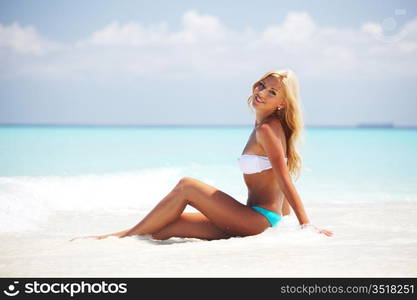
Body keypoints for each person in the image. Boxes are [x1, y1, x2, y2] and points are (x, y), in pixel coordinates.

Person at [70, 69, 333, 242]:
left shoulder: (267, 129)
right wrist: (283, 225)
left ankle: (119, 239)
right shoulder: (268, 127)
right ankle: (111, 239)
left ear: (282, 103)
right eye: (262, 85)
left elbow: (283, 178)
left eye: (271, 92)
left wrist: (305, 226)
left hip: (258, 220)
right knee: (164, 229)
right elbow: (277, 180)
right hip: (254, 218)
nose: (261, 92)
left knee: (187, 186)